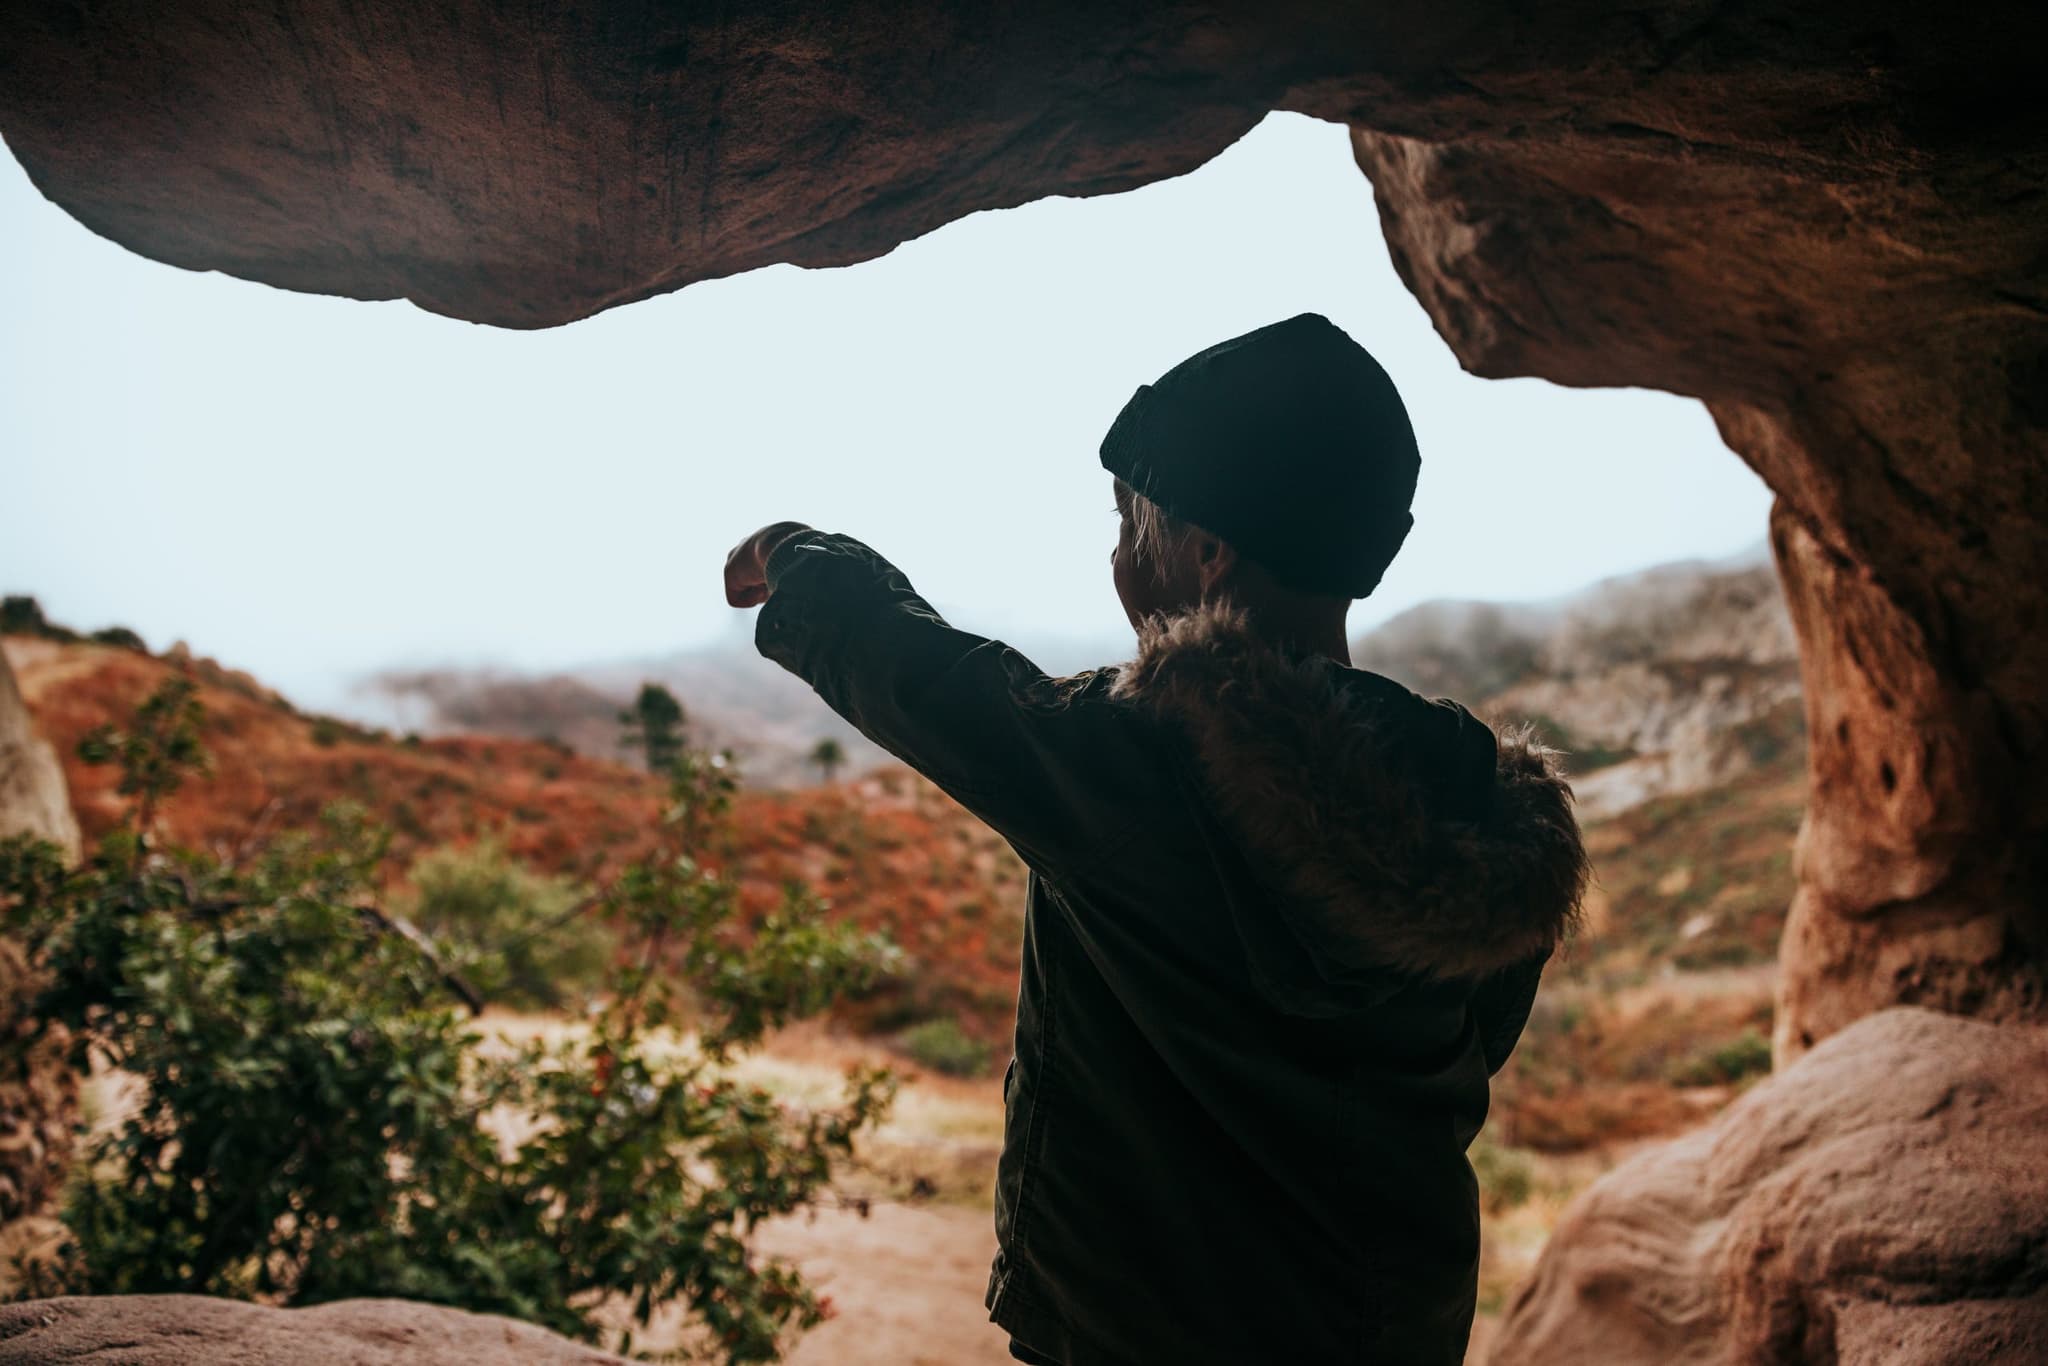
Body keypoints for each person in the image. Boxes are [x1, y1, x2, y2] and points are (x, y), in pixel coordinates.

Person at [723, 313, 1588, 1364]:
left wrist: (795, 558)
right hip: (1386, 1326)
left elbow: (928, 680)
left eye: (1129, 521)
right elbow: (1472, 1048)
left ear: (1206, 550)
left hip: (1143, 1330)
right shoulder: (1479, 799)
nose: (1116, 556)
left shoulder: (1142, 760)